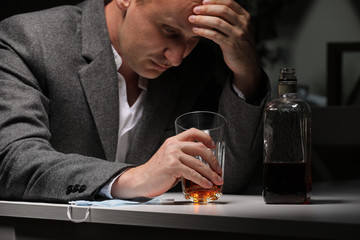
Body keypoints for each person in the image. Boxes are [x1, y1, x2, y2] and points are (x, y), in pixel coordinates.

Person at [0, 0, 270, 203]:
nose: (176, 58)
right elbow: (14, 161)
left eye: (193, 40)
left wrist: (246, 72)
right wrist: (134, 178)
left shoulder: (199, 67)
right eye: (169, 30)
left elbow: (224, 178)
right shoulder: (29, 39)